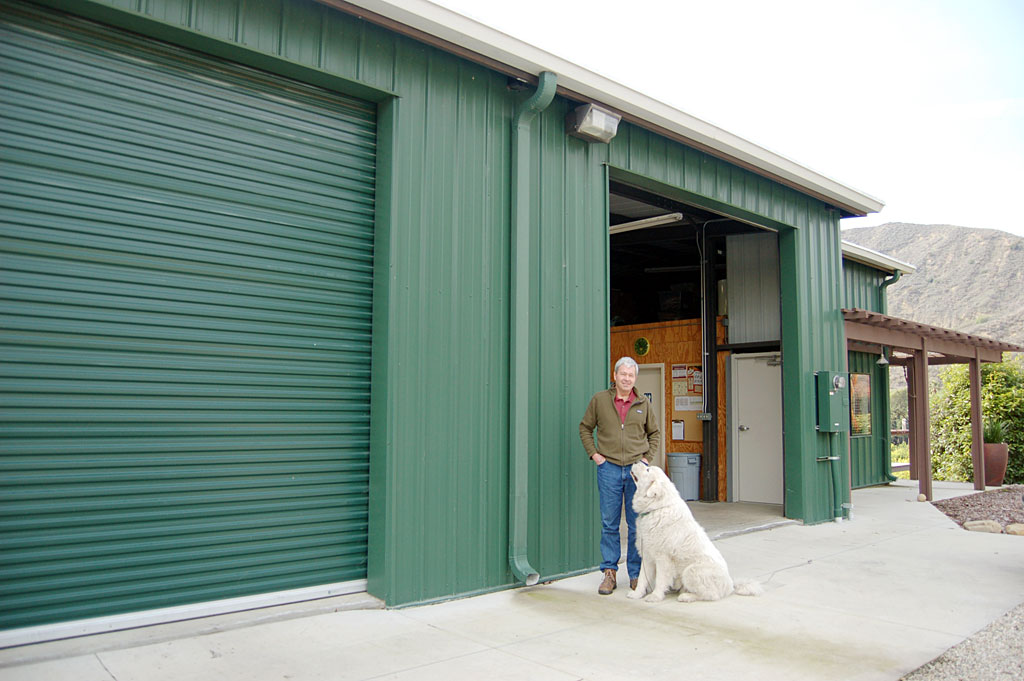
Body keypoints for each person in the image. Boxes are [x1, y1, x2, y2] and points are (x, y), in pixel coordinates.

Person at [579, 356, 661, 595]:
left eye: (631, 375)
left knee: (637, 525)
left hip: (637, 472)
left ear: (635, 378)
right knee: (609, 524)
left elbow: (654, 433)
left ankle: (636, 575)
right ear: (615, 376)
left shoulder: (643, 404)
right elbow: (585, 427)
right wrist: (595, 455)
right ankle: (609, 573)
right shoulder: (600, 400)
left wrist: (646, 460)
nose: (627, 378)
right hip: (609, 469)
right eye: (623, 374)